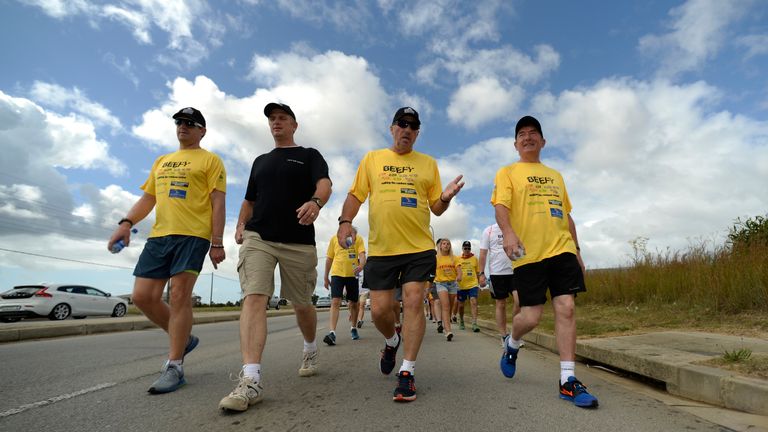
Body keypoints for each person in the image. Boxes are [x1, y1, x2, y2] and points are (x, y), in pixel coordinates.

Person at [336, 106, 464, 402]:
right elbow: (356, 196)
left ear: (417, 133)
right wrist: (345, 223)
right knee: (380, 310)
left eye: (413, 126)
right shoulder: (372, 159)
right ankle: (392, 341)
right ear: (392, 128)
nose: (407, 129)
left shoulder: (428, 163)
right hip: (382, 250)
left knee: (413, 303)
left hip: (418, 249)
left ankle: (407, 371)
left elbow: (436, 207)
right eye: (402, 124)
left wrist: (445, 197)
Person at [219, 102, 332, 412]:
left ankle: (309, 347)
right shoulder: (260, 161)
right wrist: (241, 224)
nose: (276, 122)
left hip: (298, 241)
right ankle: (250, 380)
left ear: (294, 125)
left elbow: (325, 184)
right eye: (272, 119)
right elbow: (249, 199)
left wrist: (315, 202)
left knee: (302, 304)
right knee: (254, 296)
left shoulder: (309, 155)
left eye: (282, 118)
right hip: (259, 238)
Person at [107, 107, 226, 394]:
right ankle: (183, 338)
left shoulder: (211, 160)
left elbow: (218, 202)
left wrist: (217, 241)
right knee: (142, 296)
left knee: (178, 295)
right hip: (160, 236)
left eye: (190, 123)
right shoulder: (162, 161)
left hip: (193, 235)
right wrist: (126, 223)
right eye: (179, 122)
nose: (183, 126)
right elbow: (148, 199)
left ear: (202, 130)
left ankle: (175, 365)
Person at [492, 115, 598, 408]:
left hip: (561, 249)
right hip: (528, 253)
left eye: (533, 133)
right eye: (522, 134)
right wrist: (509, 233)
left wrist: (576, 250)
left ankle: (567, 380)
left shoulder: (555, 175)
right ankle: (512, 342)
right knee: (531, 317)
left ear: (543, 141)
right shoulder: (508, 172)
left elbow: (566, 214)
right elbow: (501, 207)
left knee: (566, 307)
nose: (528, 137)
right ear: (515, 144)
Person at [478, 223, 521, 344]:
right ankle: (504, 336)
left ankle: (515, 334)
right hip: (497, 273)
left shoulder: (516, 227)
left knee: (519, 301)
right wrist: (481, 273)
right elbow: (483, 254)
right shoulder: (489, 230)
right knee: (500, 304)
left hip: (515, 271)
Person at [323, 228, 366, 344]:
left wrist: (361, 265)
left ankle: (353, 328)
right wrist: (325, 277)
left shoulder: (358, 239)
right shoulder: (334, 239)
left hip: (352, 274)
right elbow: (329, 258)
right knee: (335, 301)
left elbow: (362, 254)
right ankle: (332, 333)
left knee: (354, 304)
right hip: (337, 273)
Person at [433, 238, 461, 341]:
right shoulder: (436, 258)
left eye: (448, 244)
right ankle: (448, 331)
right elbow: (432, 271)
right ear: (440, 246)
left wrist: (459, 276)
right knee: (446, 305)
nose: (446, 245)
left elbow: (459, 270)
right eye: (444, 244)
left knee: (449, 306)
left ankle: (446, 324)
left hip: (452, 284)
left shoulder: (454, 258)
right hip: (441, 283)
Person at [456, 241, 480, 332]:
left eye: (468, 248)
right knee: (461, 305)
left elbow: (477, 272)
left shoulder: (475, 259)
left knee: (473, 301)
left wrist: (478, 284)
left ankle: (474, 323)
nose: (467, 250)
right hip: (461, 286)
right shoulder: (458, 259)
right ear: (462, 249)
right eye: (465, 248)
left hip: (473, 285)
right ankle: (461, 320)